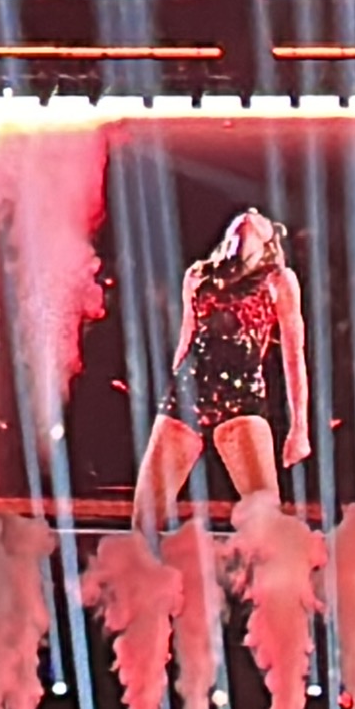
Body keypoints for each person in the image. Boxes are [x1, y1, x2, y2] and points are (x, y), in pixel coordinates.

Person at [133, 210, 313, 535]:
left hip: (241, 398)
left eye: (259, 218)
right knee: (145, 516)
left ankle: (270, 568)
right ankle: (144, 566)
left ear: (269, 240)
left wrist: (299, 428)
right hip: (187, 393)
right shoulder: (198, 276)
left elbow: (293, 354)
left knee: (265, 518)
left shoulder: (278, 280)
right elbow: (185, 339)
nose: (250, 214)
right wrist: (167, 399)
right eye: (243, 216)